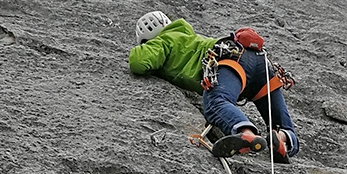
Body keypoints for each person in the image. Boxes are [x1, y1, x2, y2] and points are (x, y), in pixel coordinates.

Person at [128, 12, 299, 161]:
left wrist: (139, 50)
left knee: (217, 102)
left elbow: (139, 63)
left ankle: (246, 133)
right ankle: (282, 139)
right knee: (282, 124)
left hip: (233, 63)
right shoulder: (189, 36)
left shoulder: (163, 40)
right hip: (260, 63)